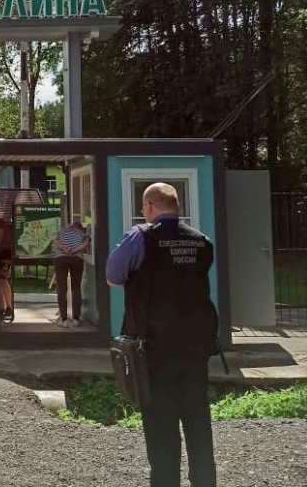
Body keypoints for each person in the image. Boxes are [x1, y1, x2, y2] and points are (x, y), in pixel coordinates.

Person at [106, 183, 217, 487]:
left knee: (161, 430)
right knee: (198, 423)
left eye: (144, 207)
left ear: (150, 207)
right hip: (195, 348)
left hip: (153, 350)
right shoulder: (202, 241)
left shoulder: (140, 237)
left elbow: (113, 276)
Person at [52, 221, 89, 328]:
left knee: (61, 288)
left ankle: (63, 320)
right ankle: (76, 319)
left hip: (61, 258)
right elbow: (86, 243)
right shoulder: (82, 233)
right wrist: (74, 251)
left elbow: (54, 239)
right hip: (76, 259)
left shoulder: (61, 231)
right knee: (76, 288)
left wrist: (64, 249)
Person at [0, 218, 14, 322]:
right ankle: (3, 306)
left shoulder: (0, 223)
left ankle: (8, 306)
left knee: (2, 279)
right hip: (2, 254)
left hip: (4, 255)